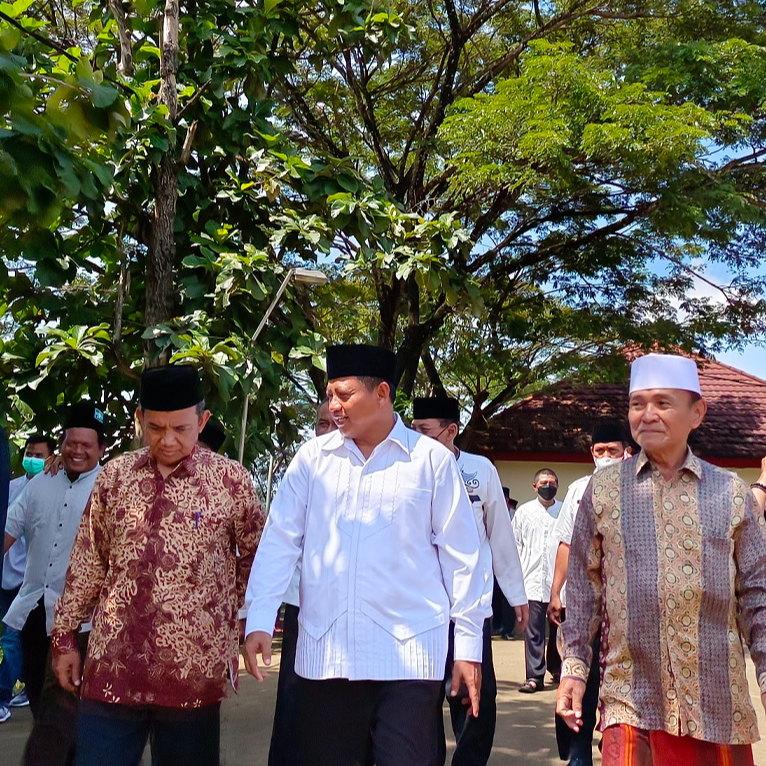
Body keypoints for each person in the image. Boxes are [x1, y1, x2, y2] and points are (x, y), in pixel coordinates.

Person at [244, 344, 490, 766]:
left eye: (344, 395)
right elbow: (280, 541)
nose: (333, 407)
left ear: (381, 393)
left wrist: (468, 645)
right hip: (328, 655)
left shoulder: (430, 461)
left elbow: (463, 557)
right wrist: (260, 617)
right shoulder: (312, 461)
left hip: (409, 657)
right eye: (329, 396)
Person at [558, 353, 766, 766]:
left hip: (717, 706)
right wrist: (574, 668)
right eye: (638, 404)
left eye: (663, 403)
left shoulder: (731, 493)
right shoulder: (603, 491)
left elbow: (757, 593)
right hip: (631, 701)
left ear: (697, 413)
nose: (647, 414)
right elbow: (582, 588)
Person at [49, 365, 263, 766]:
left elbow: (256, 560)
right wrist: (64, 637)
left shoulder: (230, 482)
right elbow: (88, 561)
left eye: (181, 429)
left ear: (202, 421)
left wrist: (225, 615)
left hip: (193, 672)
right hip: (113, 666)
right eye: (156, 428)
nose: (167, 440)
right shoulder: (115, 477)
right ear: (140, 420)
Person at [411, 395, 528, 766]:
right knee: (420, 700)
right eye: (413, 430)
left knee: (476, 698)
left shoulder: (480, 470)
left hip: (469, 606)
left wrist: (516, 594)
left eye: (425, 430)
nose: (417, 438)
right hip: (419, 609)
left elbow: (500, 536)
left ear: (451, 431)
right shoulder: (404, 468)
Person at [3, 405, 106, 765]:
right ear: (61, 444)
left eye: (86, 445)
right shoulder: (39, 484)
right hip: (33, 612)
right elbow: (8, 531)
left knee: (58, 710)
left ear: (101, 449)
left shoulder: (110, 488)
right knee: (42, 706)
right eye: (71, 443)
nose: (77, 451)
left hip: (81, 622)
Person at [547, 423, 631, 766]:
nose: (606, 456)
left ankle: (613, 749)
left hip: (625, 612)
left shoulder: (640, 489)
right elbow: (566, 544)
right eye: (600, 451)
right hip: (584, 608)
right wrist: (556, 591)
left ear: (627, 451)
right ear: (591, 453)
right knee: (579, 678)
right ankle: (578, 755)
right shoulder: (579, 490)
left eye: (612, 450)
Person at [268, 397, 339, 766]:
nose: (326, 430)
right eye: (320, 423)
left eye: (333, 423)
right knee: (295, 702)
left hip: (352, 611)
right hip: (302, 604)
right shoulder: (305, 466)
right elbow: (280, 540)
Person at [0, 434, 56, 721]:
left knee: (13, 640)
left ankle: (2, 695)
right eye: (29, 453)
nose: (32, 459)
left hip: (33, 583)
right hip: (7, 577)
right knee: (15, 639)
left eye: (39, 455)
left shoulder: (56, 489)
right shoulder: (13, 488)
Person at [512, 468, 562, 692]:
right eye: (543, 483)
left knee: (558, 629)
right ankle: (534, 676)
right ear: (535, 486)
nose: (548, 486)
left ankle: (556, 667)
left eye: (552, 482)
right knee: (533, 631)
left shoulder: (564, 511)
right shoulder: (523, 512)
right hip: (531, 581)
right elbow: (515, 545)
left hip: (558, 583)